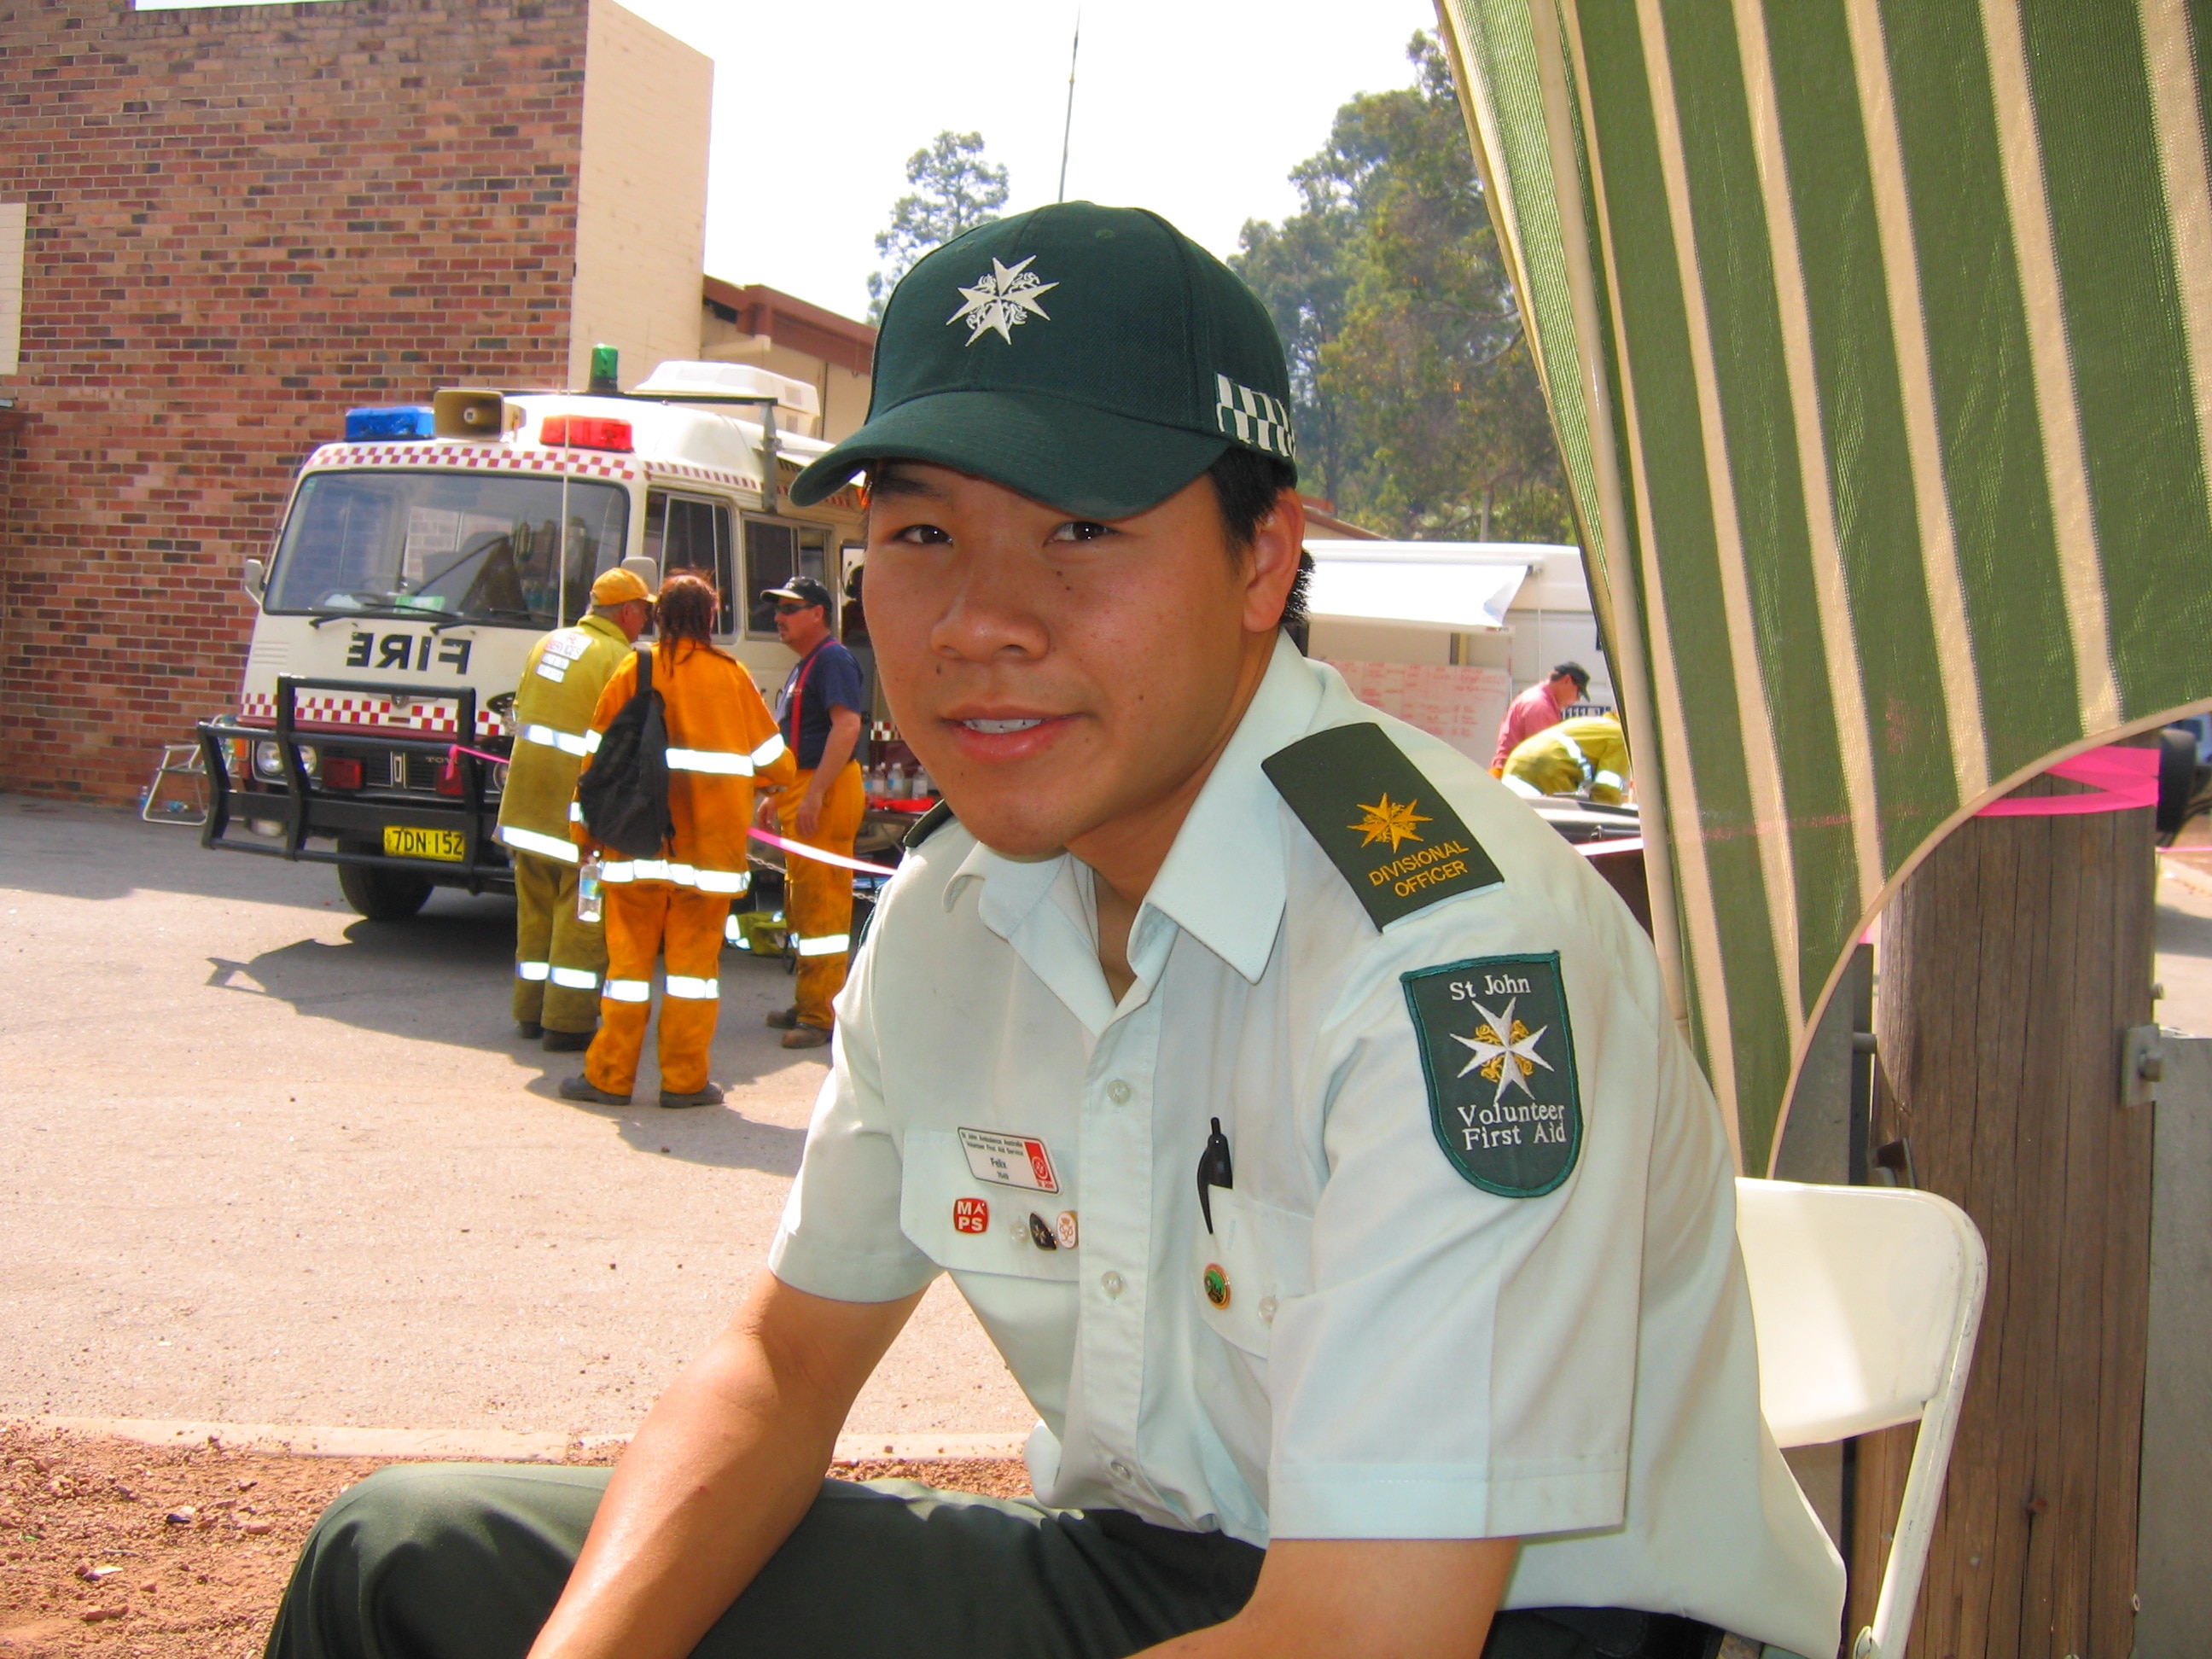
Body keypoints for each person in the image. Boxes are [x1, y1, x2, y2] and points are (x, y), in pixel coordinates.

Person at [263, 205, 1842, 1659]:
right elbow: (783, 1365)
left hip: (1512, 1619)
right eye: (924, 533)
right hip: (1155, 1569)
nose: (977, 622)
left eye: (1080, 530)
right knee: (405, 1563)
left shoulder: (1446, 947)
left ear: (1263, 557)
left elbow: (1363, 1632)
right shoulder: (956, 914)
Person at [556, 572, 794, 1110]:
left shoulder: (632, 669)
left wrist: (583, 836)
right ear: (711, 618)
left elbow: (594, 763)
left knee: (628, 971)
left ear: (658, 615)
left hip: (633, 850)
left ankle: (610, 1078)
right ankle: (684, 1082)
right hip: (707, 859)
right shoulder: (732, 679)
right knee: (693, 977)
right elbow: (777, 764)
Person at [493, 567, 655, 1050]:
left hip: (525, 812)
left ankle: (528, 1012)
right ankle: (566, 1024)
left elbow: (523, 712)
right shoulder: (622, 659)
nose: (645, 621)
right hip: (579, 821)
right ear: (626, 611)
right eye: (643, 611)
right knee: (582, 918)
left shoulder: (547, 644)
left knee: (535, 914)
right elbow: (626, 744)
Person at [759, 575, 866, 1050]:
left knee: (822, 903)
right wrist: (778, 791)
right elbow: (799, 736)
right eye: (777, 610)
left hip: (826, 787)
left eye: (790, 608)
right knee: (803, 900)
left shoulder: (832, 660)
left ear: (818, 613)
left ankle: (821, 1015)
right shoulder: (807, 665)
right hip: (804, 785)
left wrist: (814, 793)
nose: (779, 618)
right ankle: (810, 998)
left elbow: (847, 727)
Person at [1502, 713, 1633, 806]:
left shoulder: (1593, 723)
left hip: (1517, 761)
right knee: (1557, 829)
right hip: (1550, 769)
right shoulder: (1620, 736)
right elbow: (1608, 790)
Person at [1490, 661, 1589, 773]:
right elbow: (1544, 756)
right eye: (1579, 693)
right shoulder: (1540, 706)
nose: (1577, 699)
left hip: (1513, 772)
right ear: (1567, 680)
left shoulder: (1540, 699)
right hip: (1515, 777)